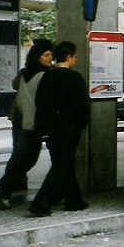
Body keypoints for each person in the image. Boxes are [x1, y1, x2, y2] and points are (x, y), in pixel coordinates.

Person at [29, 41, 90, 216]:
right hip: (70, 130)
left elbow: (40, 103)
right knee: (61, 166)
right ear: (69, 57)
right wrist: (80, 126)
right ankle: (41, 203)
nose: (75, 60)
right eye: (75, 56)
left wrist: (43, 128)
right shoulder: (75, 78)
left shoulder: (47, 77)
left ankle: (74, 200)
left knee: (63, 163)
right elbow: (83, 108)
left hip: (51, 130)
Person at [0, 38, 54, 210]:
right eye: (46, 55)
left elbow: (15, 86)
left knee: (22, 157)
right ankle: (2, 191)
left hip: (23, 121)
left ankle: (7, 189)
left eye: (50, 55)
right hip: (31, 122)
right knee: (24, 159)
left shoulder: (24, 72)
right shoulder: (45, 75)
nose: (49, 58)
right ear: (37, 57)